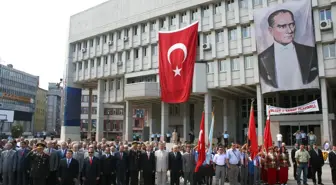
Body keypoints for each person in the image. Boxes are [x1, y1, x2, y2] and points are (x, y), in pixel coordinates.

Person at [258, 9, 318, 90]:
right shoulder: (262, 58)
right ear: (271, 30)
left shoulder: (310, 52)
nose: (290, 30)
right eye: (282, 26)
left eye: (292, 24)